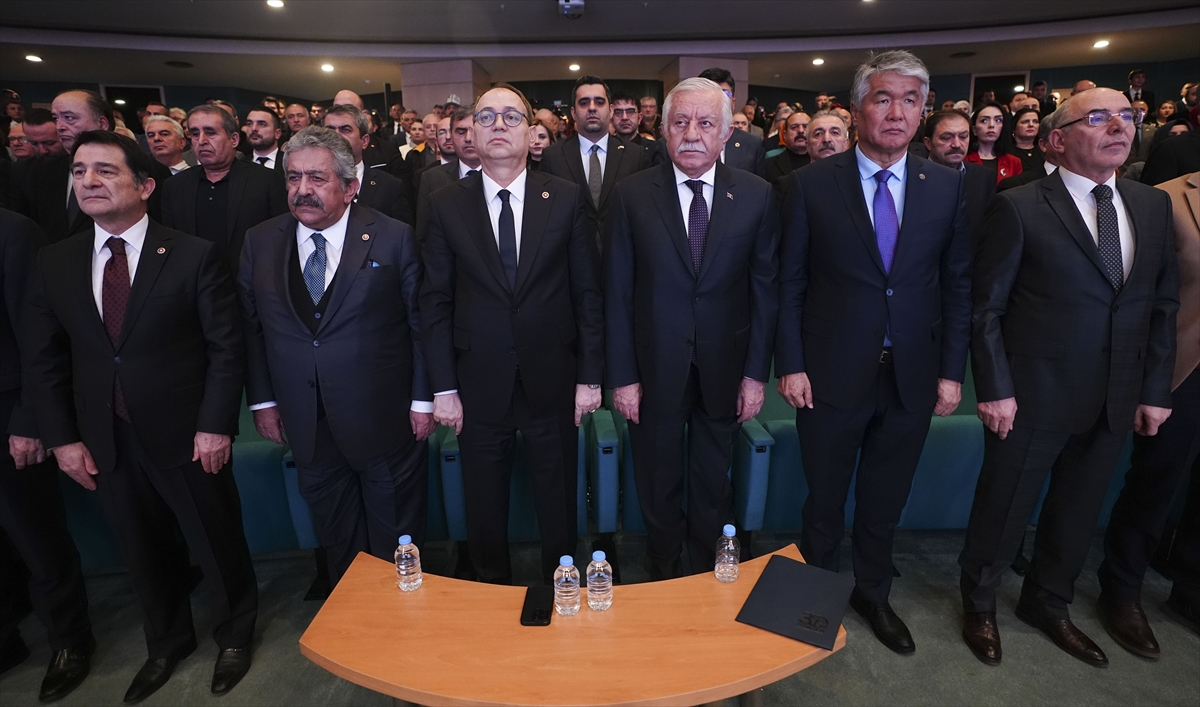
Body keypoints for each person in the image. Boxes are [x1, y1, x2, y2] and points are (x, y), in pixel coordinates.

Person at [23, 130, 258, 701]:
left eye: (105, 170)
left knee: (215, 541)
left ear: (145, 186)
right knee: (140, 548)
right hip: (104, 434)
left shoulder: (192, 254)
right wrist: (62, 439)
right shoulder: (55, 261)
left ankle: (234, 635)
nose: (89, 181)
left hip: (188, 433)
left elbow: (226, 348)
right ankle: (166, 642)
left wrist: (215, 425)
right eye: (79, 171)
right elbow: (44, 359)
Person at [959, 88, 1178, 669]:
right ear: (1057, 139)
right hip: (1032, 392)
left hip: (1116, 392)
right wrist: (995, 388)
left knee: (1078, 511)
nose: (1119, 127)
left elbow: (1161, 305)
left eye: (1127, 116)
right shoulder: (1019, 205)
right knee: (1004, 505)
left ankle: (1047, 602)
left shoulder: (1152, 205)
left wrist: (1154, 389)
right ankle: (979, 603)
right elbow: (987, 310)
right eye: (1098, 118)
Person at [776, 50, 971, 656]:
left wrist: (952, 372)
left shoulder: (947, 186)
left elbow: (957, 283)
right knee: (824, 499)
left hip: (912, 372)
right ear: (857, 109)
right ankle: (811, 601)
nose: (896, 112)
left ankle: (873, 593)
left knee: (885, 498)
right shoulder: (809, 185)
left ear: (923, 111)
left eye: (911, 100)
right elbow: (790, 282)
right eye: (883, 98)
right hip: (829, 372)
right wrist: (791, 363)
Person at [420, 83, 603, 585]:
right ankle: (489, 594)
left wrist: (590, 376)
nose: (498, 125)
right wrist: (442, 387)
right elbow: (434, 301)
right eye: (486, 117)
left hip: (554, 375)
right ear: (471, 134)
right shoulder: (443, 204)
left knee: (558, 496)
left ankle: (562, 586)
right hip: (477, 379)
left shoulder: (565, 197)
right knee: (483, 501)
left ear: (532, 133)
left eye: (511, 117)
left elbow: (588, 293)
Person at [239, 126, 432, 584]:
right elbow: (251, 329)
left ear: (350, 187)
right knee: (338, 539)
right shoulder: (260, 241)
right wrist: (263, 401)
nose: (302, 189)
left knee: (396, 539)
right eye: (293, 177)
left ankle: (399, 619)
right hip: (306, 421)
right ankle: (354, 617)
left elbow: (421, 325)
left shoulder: (394, 237)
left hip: (384, 420)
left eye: (317, 178)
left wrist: (423, 399)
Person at [605, 77, 779, 580]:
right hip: (653, 367)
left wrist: (755, 375)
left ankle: (705, 569)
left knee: (712, 478)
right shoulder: (631, 195)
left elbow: (765, 291)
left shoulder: (757, 195)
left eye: (705, 123)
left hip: (726, 365)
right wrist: (624, 376)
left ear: (726, 134)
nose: (692, 134)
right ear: (663, 131)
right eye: (680, 122)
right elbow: (616, 291)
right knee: (656, 478)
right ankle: (663, 566)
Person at [1097, 167, 1200, 657]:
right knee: (1158, 481)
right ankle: (1122, 589)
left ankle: (1190, 587)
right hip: (1183, 369)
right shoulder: (1168, 198)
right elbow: (1149, 297)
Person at [2, 208, 96, 703]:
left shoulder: (14, 233)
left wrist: (28, 418)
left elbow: (37, 338)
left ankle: (69, 640)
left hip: (8, 414)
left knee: (37, 538)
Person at [161, 105, 288, 274]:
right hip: (193, 282)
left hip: (250, 280)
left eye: (210, 132)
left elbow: (280, 239)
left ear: (234, 139)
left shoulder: (267, 181)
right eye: (195, 134)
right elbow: (171, 244)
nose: (201, 140)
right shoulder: (174, 186)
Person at [539, 76, 652, 251]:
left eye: (599, 102)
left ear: (610, 110)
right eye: (584, 103)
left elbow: (645, 216)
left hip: (623, 256)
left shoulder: (636, 156)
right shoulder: (553, 157)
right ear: (573, 113)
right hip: (570, 258)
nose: (592, 108)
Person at [322, 104, 413, 226]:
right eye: (329, 130)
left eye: (345, 130)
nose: (336, 136)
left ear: (364, 141)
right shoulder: (305, 184)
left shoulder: (390, 187)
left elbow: (403, 233)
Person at [923, 109, 995, 245]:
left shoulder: (984, 177)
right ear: (928, 143)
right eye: (946, 137)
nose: (956, 144)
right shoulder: (913, 175)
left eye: (963, 136)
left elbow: (988, 232)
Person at [697, 68, 765, 178]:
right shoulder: (682, 140)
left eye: (724, 94)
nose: (718, 100)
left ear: (733, 103)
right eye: (710, 94)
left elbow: (758, 186)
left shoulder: (752, 144)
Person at [966, 102, 1022, 185]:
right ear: (974, 130)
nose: (991, 125)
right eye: (984, 120)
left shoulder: (1013, 162)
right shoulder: (964, 159)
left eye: (998, 120)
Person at [764, 111, 811, 196]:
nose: (801, 130)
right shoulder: (768, 165)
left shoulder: (822, 162)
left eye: (805, 127)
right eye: (794, 127)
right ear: (785, 135)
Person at [1009, 107, 1044, 173]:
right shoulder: (1006, 152)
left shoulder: (1044, 150)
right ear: (1014, 127)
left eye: (1035, 121)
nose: (1031, 125)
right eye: (1025, 122)